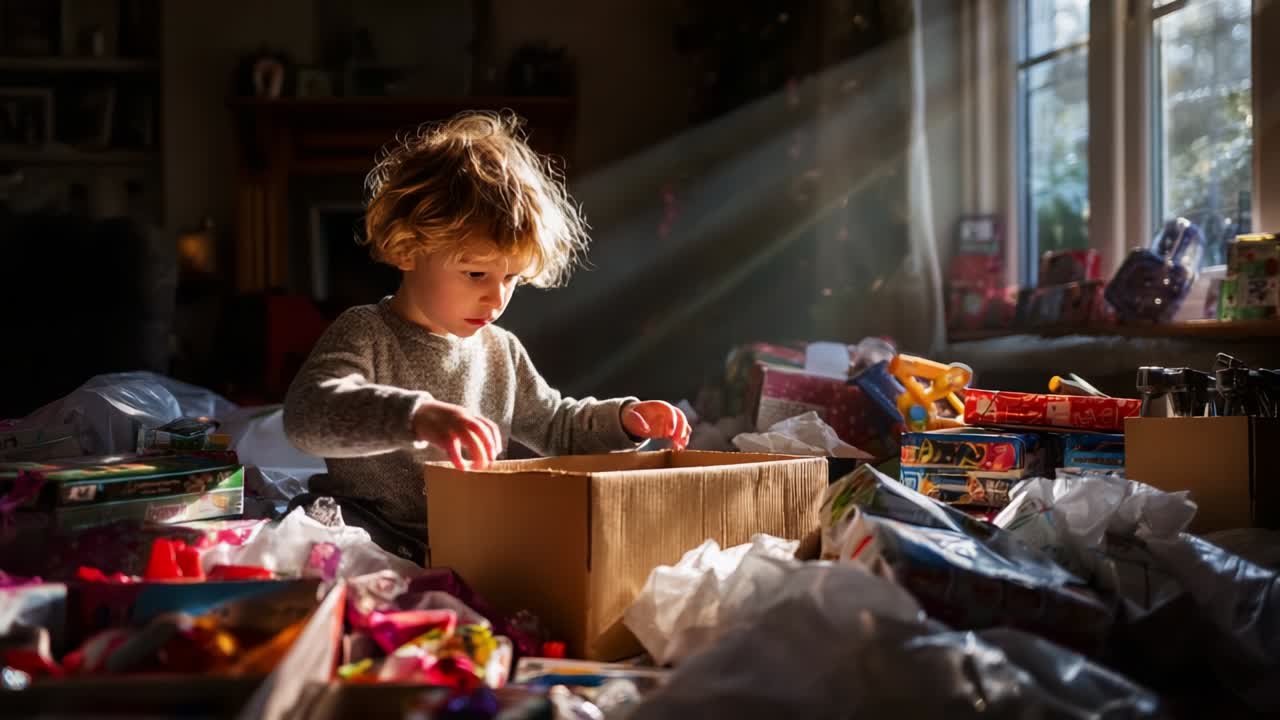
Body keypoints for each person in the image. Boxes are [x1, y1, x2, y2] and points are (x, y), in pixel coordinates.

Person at [283, 111, 690, 564]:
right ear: (406, 250)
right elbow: (307, 416)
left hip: (465, 537)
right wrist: (414, 416)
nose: (495, 298)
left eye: (511, 277)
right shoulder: (367, 331)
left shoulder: (501, 351)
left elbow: (556, 426)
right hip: (366, 531)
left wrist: (625, 420)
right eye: (475, 272)